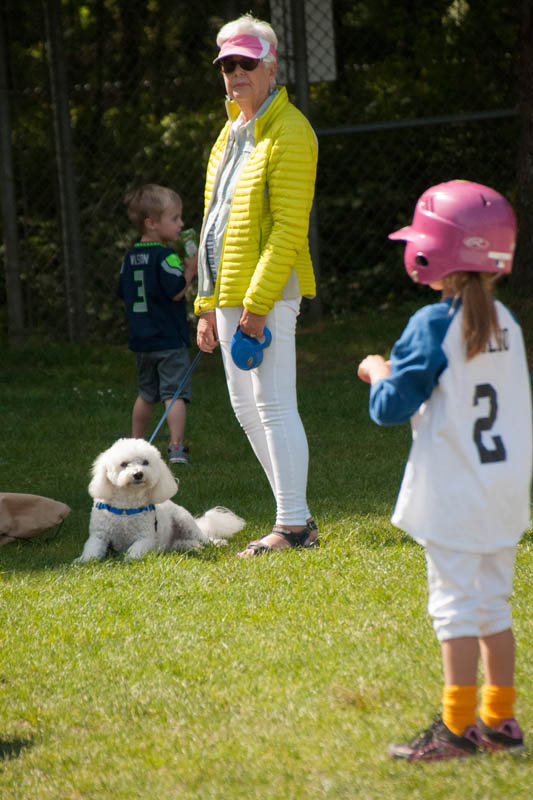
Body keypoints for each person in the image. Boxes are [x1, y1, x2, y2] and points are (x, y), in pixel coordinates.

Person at [357, 180, 532, 761]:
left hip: (456, 492)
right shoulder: (507, 319)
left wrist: (377, 370)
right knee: (494, 605)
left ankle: (457, 730)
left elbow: (390, 408)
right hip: (504, 490)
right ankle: (500, 720)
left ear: (433, 251)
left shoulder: (433, 323)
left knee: (454, 609)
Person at [194, 14, 320, 555]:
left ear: (271, 67)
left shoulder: (290, 130)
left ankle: (291, 527)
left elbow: (290, 228)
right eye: (227, 65)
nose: (236, 73)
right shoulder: (230, 133)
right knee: (247, 409)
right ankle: (299, 519)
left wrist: (258, 304)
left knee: (273, 404)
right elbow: (212, 222)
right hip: (227, 294)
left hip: (266, 294)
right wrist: (205, 304)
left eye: (246, 62)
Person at [119, 183, 197, 464]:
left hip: (142, 340)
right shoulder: (167, 257)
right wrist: (190, 270)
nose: (181, 224)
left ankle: (135, 446)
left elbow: (123, 291)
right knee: (173, 394)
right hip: (169, 339)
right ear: (151, 223)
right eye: (174, 218)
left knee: (145, 394)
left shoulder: (129, 258)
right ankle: (176, 447)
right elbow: (175, 291)